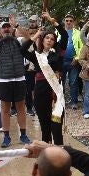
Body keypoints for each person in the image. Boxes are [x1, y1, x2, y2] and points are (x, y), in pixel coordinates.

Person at [0, 14, 32, 148]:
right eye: (4, 28)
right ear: (0, 31)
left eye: (8, 27)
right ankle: (6, 136)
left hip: (19, 78)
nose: (6, 30)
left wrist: (16, 25)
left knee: (21, 107)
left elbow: (29, 38)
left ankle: (23, 134)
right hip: (3, 80)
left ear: (12, 29)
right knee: (5, 109)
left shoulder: (19, 40)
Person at [28, 14, 68, 146]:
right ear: (43, 39)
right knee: (45, 128)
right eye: (47, 37)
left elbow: (65, 35)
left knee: (56, 127)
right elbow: (22, 49)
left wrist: (52, 20)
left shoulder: (58, 53)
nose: (49, 40)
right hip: (40, 93)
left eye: (52, 38)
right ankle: (47, 159)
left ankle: (60, 156)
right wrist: (36, 34)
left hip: (55, 93)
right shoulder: (36, 55)